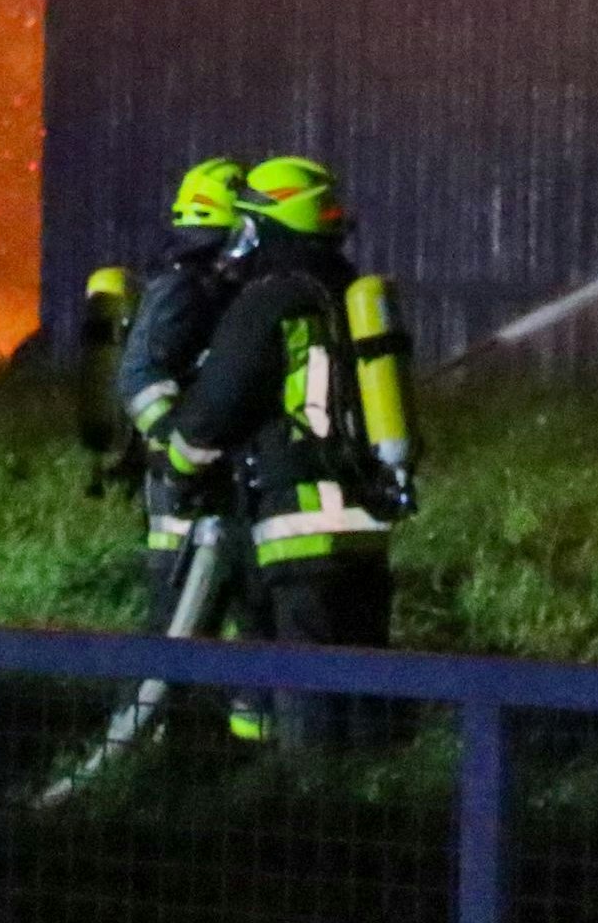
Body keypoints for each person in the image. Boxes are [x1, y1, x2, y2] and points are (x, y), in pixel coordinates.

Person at [158, 155, 416, 748]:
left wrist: (174, 463)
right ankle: (377, 803)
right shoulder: (350, 295)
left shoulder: (269, 300)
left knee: (307, 700)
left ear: (267, 225)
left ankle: (307, 815)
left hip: (299, 533)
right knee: (364, 687)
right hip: (366, 526)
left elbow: (213, 411)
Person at [118, 157, 247, 635]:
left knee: (224, 627)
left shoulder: (207, 283)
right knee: (176, 625)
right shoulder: (184, 286)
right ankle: (150, 710)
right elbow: (140, 378)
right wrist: (182, 447)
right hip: (182, 493)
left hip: (205, 480)